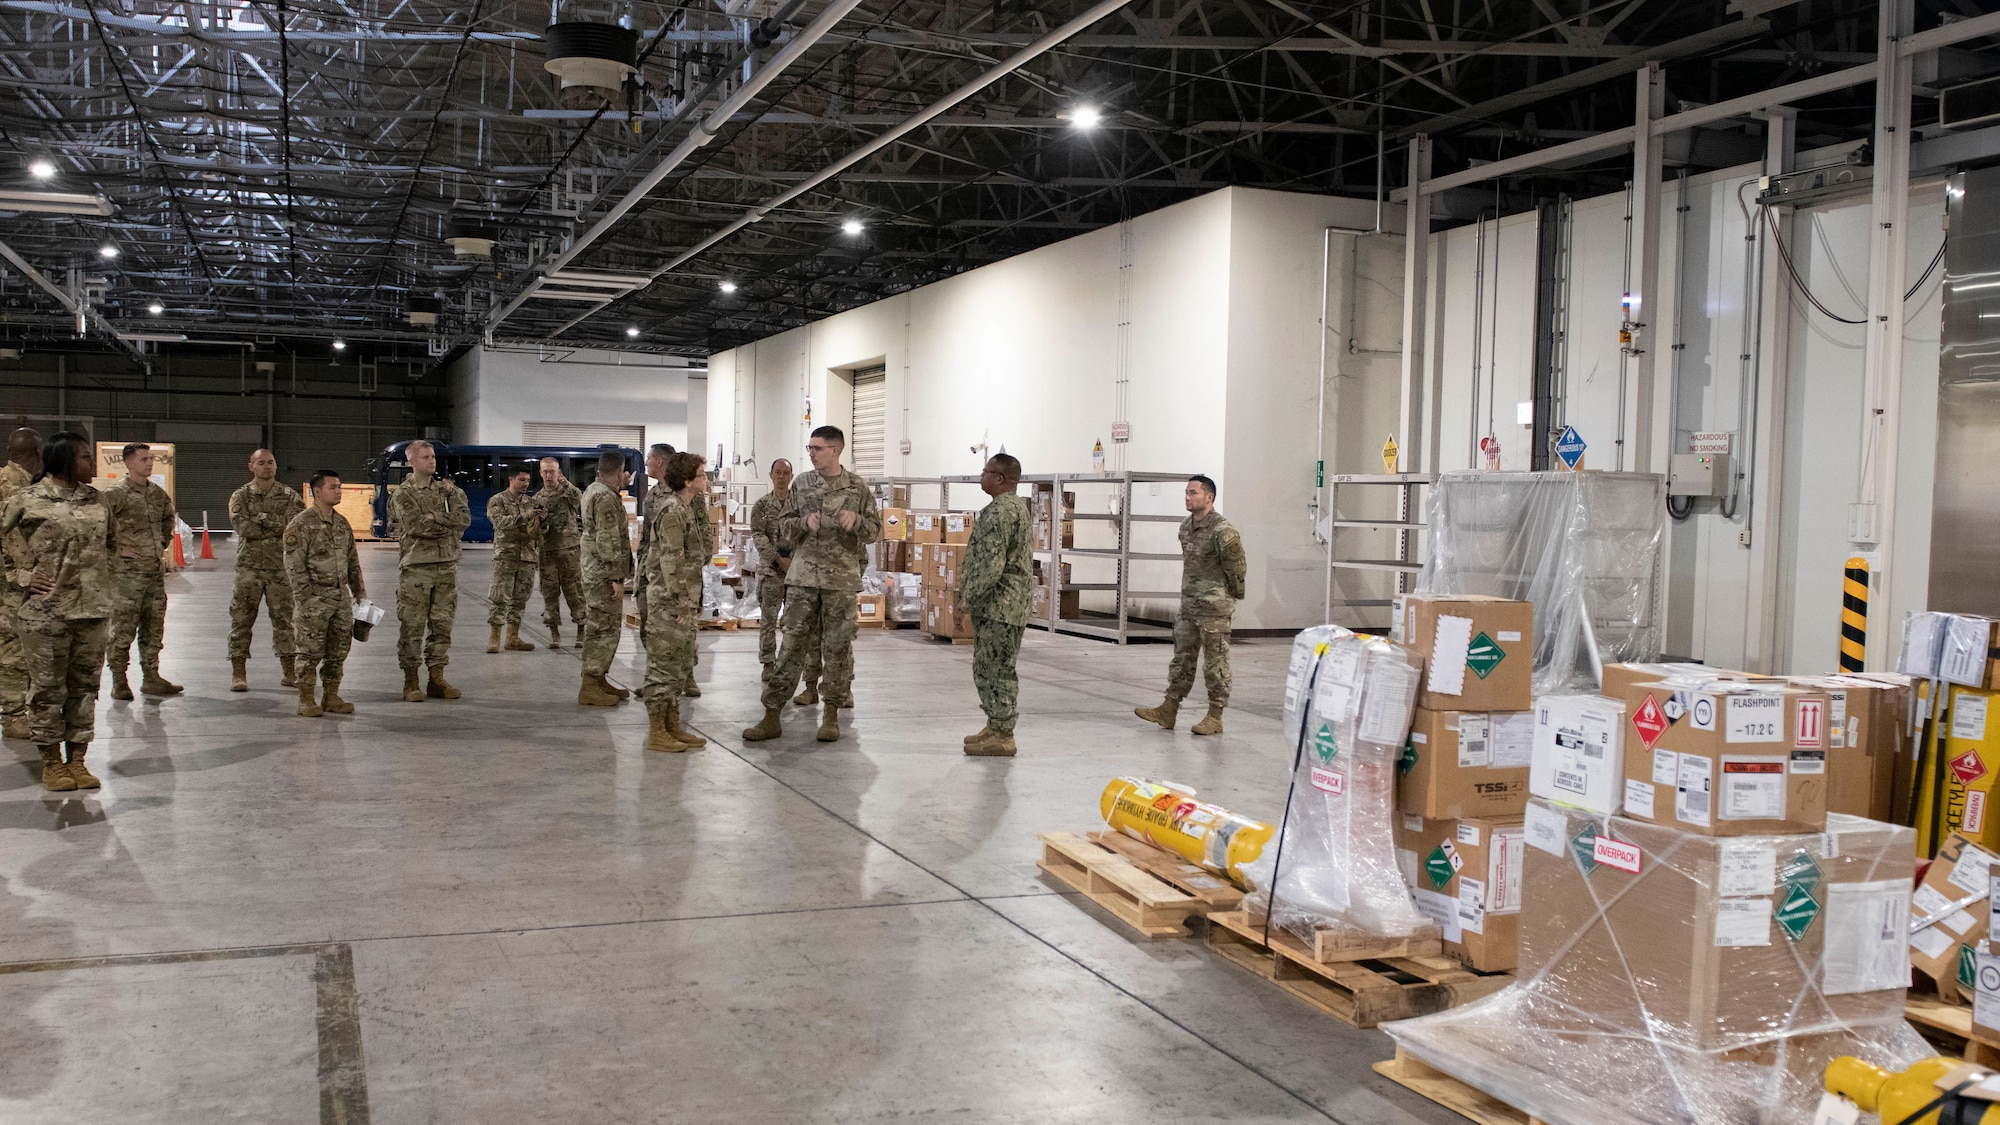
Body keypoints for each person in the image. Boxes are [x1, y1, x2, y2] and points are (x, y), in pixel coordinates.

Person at [743, 425, 879, 744]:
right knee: (791, 646)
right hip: (803, 580)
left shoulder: (857, 488)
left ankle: (831, 715)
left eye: (817, 448)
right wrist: (804, 522)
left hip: (840, 582)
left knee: (836, 649)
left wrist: (856, 522)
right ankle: (772, 715)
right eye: (809, 449)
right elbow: (784, 526)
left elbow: (875, 530)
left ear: (835, 450)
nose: (812, 454)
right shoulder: (802, 483)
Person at [0, 431, 115, 791]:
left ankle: (78, 761)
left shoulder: (98, 500)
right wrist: (20, 575)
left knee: (84, 689)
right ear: (63, 459)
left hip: (92, 612)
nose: (91, 464)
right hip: (46, 614)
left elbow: (109, 545)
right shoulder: (26, 500)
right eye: (84, 457)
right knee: (48, 690)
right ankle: (51, 763)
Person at [1136, 474, 1247, 736]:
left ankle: (1215, 715)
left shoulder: (1224, 531)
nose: (1188, 497)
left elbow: (1237, 569)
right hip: (1189, 607)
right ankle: (1169, 708)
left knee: (1215, 663)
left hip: (1214, 609)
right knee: (1182, 659)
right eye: (1186, 493)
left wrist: (1228, 598)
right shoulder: (1186, 527)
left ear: (1209, 497)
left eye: (1193, 493)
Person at [958, 454, 1032, 757]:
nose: (981, 475)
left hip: (998, 605)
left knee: (995, 669)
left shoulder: (999, 512)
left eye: (986, 471)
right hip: (1006, 605)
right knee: (991, 666)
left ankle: (1003, 734)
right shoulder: (1015, 508)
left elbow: (990, 565)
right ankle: (996, 724)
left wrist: (967, 600)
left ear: (1000, 479)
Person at [388, 439, 471, 702]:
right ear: (411, 461)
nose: (431, 461)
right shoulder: (403, 493)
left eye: (432, 456)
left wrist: (435, 517)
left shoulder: (448, 490)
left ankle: (437, 678)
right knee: (412, 625)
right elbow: (416, 527)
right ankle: (411, 680)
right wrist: (443, 522)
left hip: (446, 566)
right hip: (416, 568)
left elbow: (464, 520)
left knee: (442, 625)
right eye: (425, 457)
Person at [102, 442, 182, 700]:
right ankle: (119, 680)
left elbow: (168, 519)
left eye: (151, 459)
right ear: (128, 463)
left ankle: (151, 677)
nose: (149, 463)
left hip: (154, 575)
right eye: (143, 459)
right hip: (126, 577)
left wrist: (161, 543)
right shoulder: (116, 495)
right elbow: (97, 527)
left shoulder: (158, 495)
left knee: (153, 627)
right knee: (123, 629)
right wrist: (117, 550)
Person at [284, 469, 365, 717]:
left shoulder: (341, 523)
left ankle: (331, 696)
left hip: (340, 599)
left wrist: (360, 592)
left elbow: (352, 560)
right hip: (314, 600)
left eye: (340, 486)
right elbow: (293, 565)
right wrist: (306, 598)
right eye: (333, 487)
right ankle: (306, 699)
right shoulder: (301, 525)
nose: (338, 491)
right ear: (317, 491)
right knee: (309, 651)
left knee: (339, 650)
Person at [639, 452, 705, 751]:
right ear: (688, 481)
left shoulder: (685, 507)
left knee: (679, 666)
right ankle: (657, 732)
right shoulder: (673, 511)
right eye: (702, 475)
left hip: (683, 600)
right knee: (662, 668)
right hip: (669, 602)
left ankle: (672, 725)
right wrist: (681, 601)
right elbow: (671, 560)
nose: (706, 480)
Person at [228, 447, 304, 691]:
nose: (267, 466)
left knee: (284, 622)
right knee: (241, 620)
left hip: (280, 570)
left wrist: (260, 519)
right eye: (261, 463)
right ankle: (238, 674)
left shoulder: (290, 495)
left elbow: (295, 528)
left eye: (271, 462)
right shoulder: (241, 496)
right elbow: (243, 528)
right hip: (248, 569)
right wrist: (275, 524)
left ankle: (289, 672)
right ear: (251, 466)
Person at [577, 449, 632, 707]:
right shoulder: (607, 498)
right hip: (602, 573)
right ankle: (590, 683)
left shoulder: (593, 490)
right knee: (604, 628)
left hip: (592, 568)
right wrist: (616, 577)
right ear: (620, 471)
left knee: (600, 626)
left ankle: (598, 679)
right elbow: (608, 539)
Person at [0, 426, 42, 740]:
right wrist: (23, 576)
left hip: (17, 579)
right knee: (13, 649)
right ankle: (13, 717)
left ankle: (20, 710)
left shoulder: (14, 481)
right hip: (12, 582)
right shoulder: (15, 487)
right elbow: (9, 538)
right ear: (36, 454)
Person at [485, 465, 541, 653]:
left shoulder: (531, 502)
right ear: (511, 479)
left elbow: (537, 532)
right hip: (505, 557)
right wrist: (526, 516)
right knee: (500, 598)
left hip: (527, 557)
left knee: (520, 600)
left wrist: (542, 521)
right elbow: (500, 523)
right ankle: (494, 638)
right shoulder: (497, 501)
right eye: (521, 480)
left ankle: (513, 638)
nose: (525, 484)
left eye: (527, 480)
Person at [531, 456, 585, 649]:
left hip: (569, 550)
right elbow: (537, 530)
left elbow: (580, 499)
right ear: (540, 473)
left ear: (558, 472)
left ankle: (581, 630)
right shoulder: (537, 498)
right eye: (545, 471)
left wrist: (566, 483)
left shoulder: (567, 492)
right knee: (549, 593)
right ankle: (554, 633)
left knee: (575, 592)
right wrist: (542, 522)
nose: (548, 475)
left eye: (552, 471)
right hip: (548, 553)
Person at [748, 458, 794, 682]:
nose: (781, 477)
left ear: (791, 476)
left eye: (786, 473)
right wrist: (777, 559)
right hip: (771, 572)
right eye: (778, 472)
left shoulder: (799, 506)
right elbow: (758, 535)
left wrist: (794, 560)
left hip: (796, 573)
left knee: (793, 622)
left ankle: (788, 662)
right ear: (771, 475)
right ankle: (768, 662)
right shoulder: (762, 506)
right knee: (768, 620)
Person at [677, 452, 709, 699]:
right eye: (701, 475)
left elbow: (704, 532)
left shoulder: (696, 501)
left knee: (689, 631)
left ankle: (688, 676)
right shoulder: (670, 506)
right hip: (675, 583)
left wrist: (701, 561)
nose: (706, 479)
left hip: (692, 577)